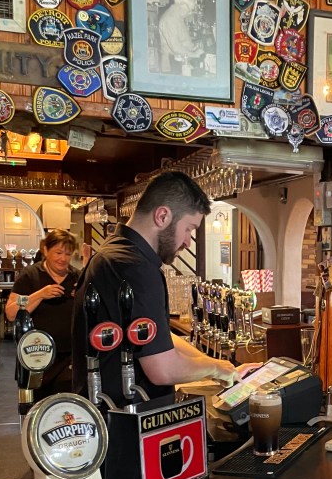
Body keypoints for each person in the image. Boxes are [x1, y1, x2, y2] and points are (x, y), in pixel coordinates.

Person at [72, 171, 239, 408]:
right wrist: (215, 367)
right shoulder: (135, 268)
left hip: (104, 414)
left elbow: (156, 337)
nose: (187, 241)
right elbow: (163, 369)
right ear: (162, 216)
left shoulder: (114, 253)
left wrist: (215, 364)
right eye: (189, 228)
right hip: (124, 420)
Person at [6, 229, 79, 400]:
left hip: (69, 357)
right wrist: (40, 294)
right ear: (45, 250)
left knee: (65, 406)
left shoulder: (77, 276)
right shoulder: (30, 276)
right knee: (37, 408)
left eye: (68, 254)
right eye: (58, 252)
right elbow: (10, 313)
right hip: (36, 354)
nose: (63, 259)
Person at [158, 0, 203, 74]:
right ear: (182, 5)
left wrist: (192, 48)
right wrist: (194, 54)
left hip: (180, 62)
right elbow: (176, 47)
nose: (189, 13)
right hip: (172, 66)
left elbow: (183, 40)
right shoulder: (169, 18)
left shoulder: (178, 17)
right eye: (189, 10)